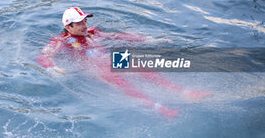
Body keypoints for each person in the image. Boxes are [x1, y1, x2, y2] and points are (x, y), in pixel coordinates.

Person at [37, 7, 210, 118]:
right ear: (68, 27)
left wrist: (148, 40)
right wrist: (54, 68)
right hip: (94, 67)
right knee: (125, 85)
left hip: (109, 59)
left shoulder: (92, 32)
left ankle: (184, 92)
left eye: (85, 20)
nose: (85, 25)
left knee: (145, 70)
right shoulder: (60, 40)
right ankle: (159, 109)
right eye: (80, 23)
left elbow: (117, 37)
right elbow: (43, 56)